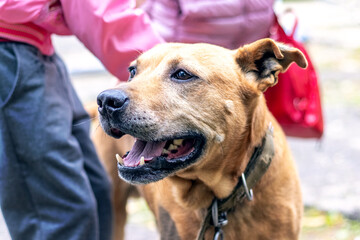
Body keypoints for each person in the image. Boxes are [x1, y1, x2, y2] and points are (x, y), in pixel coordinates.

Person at [0, 0, 163, 240]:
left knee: (96, 193)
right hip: (11, 47)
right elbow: (98, 9)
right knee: (61, 213)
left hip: (36, 43)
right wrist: (169, 66)